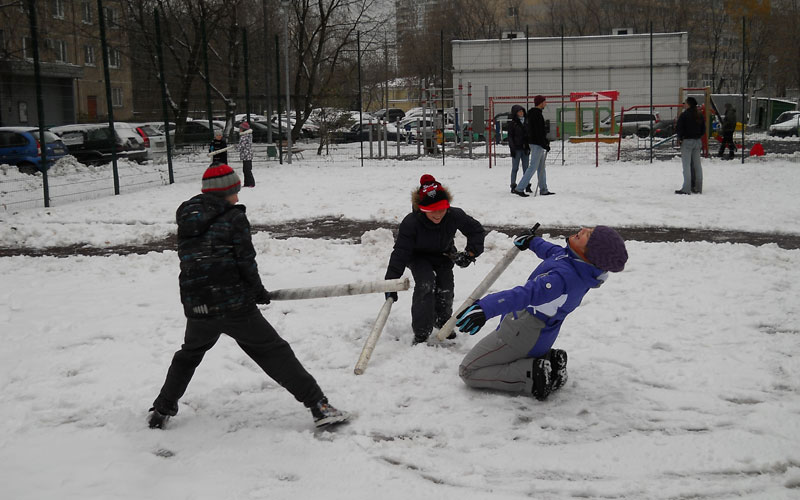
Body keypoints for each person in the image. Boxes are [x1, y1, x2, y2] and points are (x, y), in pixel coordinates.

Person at [147, 163, 349, 430]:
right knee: (273, 351)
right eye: (235, 191)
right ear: (225, 192)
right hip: (232, 304)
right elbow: (245, 260)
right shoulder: (233, 218)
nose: (238, 197)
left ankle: (161, 410)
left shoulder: (187, 216)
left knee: (189, 354)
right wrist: (257, 291)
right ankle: (319, 405)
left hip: (198, 304)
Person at [455, 225, 628, 400]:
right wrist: (532, 241)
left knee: (469, 371)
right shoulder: (576, 264)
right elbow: (552, 252)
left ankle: (531, 375)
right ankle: (547, 362)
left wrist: (486, 308)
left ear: (591, 253)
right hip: (539, 335)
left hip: (520, 334)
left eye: (589, 235)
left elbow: (526, 294)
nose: (583, 229)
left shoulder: (563, 279)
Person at [384, 174, 486, 345]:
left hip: (443, 254)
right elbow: (400, 252)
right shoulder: (411, 222)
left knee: (446, 287)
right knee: (426, 284)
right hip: (417, 257)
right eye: (432, 211)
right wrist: (391, 282)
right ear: (423, 209)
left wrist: (470, 254)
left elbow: (476, 231)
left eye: (442, 209)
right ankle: (422, 331)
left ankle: (443, 323)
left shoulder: (454, 215)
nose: (438, 214)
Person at [519, 95, 555, 197]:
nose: (545, 103)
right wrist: (544, 143)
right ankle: (520, 187)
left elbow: (538, 131)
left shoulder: (533, 114)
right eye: (544, 102)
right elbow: (538, 132)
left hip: (537, 143)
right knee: (533, 166)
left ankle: (543, 189)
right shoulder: (537, 115)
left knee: (541, 167)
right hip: (537, 144)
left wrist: (544, 142)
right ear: (540, 103)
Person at [675, 96, 705, 194]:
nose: (684, 105)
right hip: (697, 141)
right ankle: (698, 187)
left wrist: (680, 138)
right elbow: (703, 129)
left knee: (686, 165)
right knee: (697, 165)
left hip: (687, 141)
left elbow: (679, 128)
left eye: (685, 103)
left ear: (688, 104)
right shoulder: (700, 115)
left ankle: (686, 188)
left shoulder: (684, 115)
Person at [508, 104, 531, 196]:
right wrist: (512, 148)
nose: (521, 113)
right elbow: (510, 137)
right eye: (519, 111)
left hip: (525, 148)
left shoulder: (526, 122)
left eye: (522, 111)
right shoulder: (512, 124)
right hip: (516, 148)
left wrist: (528, 145)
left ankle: (527, 184)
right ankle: (513, 185)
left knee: (526, 168)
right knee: (515, 168)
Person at [239, 121, 255, 187]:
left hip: (246, 155)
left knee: (247, 170)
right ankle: (247, 183)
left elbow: (241, 145)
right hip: (247, 155)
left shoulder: (244, 136)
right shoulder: (248, 135)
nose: (239, 129)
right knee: (245, 169)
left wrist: (236, 147)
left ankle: (251, 183)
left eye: (240, 128)